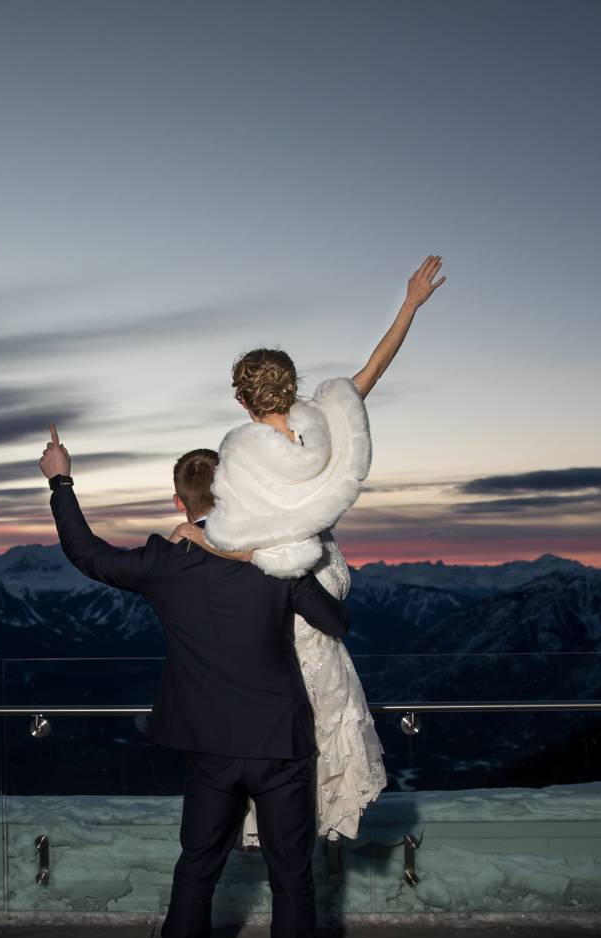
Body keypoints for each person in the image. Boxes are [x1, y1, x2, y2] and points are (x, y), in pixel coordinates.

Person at [39, 428, 345, 938]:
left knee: (195, 875)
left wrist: (60, 479)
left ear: (180, 503)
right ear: (235, 489)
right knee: (292, 883)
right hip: (281, 746)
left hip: (209, 749)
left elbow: (87, 553)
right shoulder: (272, 558)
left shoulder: (164, 562)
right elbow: (336, 622)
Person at [176, 254, 446, 848]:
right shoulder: (324, 427)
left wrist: (202, 536)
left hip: (283, 606)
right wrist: (409, 305)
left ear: (243, 403)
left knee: (288, 725)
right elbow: (371, 373)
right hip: (325, 579)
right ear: (293, 388)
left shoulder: (243, 460)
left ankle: (284, 826)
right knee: (325, 714)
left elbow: (250, 551)